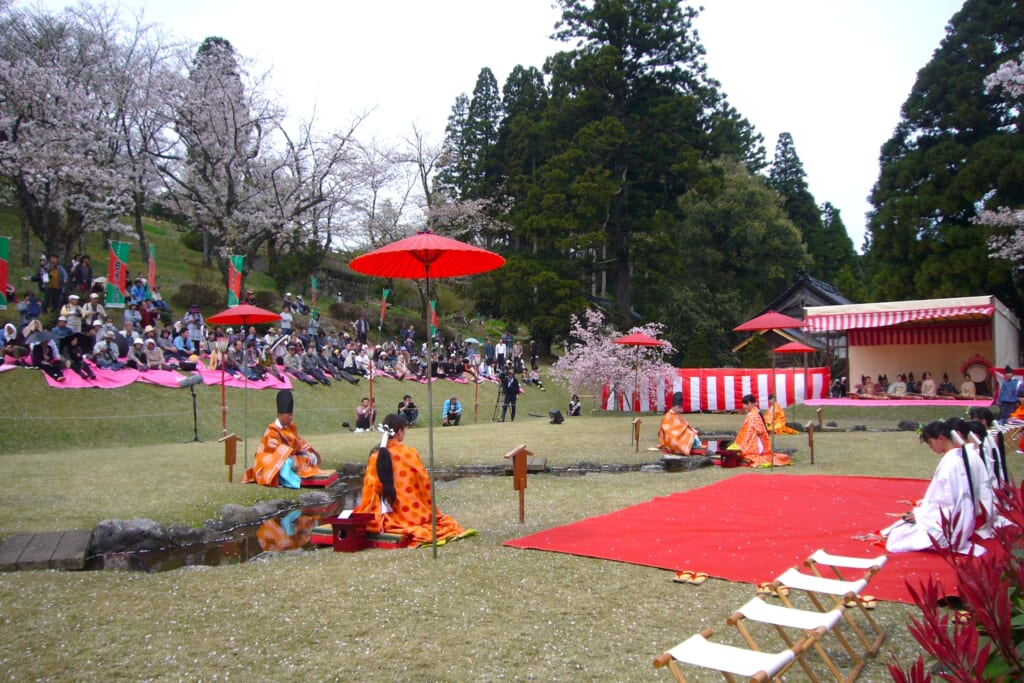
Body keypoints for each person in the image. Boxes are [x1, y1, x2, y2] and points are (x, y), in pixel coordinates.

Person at [352, 413, 471, 546]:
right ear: (399, 432)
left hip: (382, 513)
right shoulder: (409, 453)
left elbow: (371, 487)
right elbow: (423, 481)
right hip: (412, 512)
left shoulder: (375, 456)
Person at [882, 420, 982, 555]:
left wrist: (920, 516)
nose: (930, 447)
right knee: (900, 529)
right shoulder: (955, 458)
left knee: (898, 537)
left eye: (930, 443)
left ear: (941, 439)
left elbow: (946, 501)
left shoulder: (951, 463)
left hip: (946, 525)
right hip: (955, 520)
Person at [242, 390, 323, 488]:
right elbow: (277, 451)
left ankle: (298, 474)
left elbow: (298, 442)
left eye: (291, 414)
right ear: (280, 414)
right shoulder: (272, 430)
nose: (291, 417)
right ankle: (294, 482)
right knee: (285, 464)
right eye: (288, 415)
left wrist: (307, 452)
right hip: (274, 461)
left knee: (312, 457)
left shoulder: (292, 427)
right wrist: (293, 458)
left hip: (292, 456)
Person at [728, 394, 791, 467]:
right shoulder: (754, 412)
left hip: (756, 439)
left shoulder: (754, 414)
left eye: (745, 404)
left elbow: (759, 429)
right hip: (753, 437)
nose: (744, 406)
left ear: (750, 403)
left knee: (745, 452)